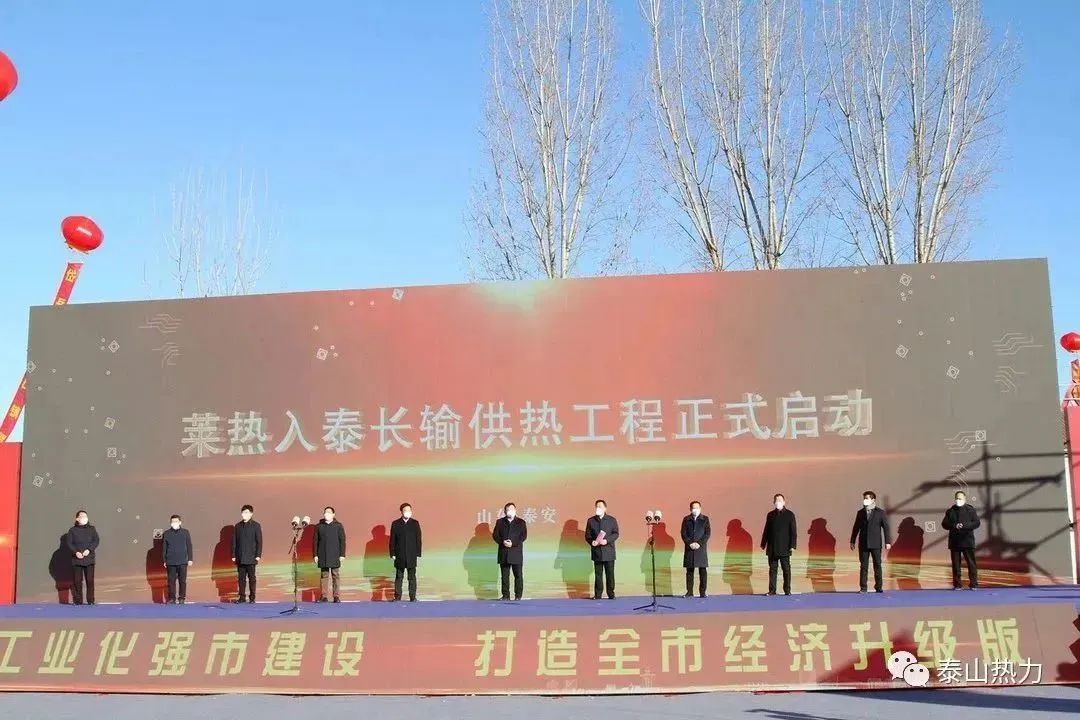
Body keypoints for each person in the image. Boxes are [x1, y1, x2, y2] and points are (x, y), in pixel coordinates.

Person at [849, 490, 891, 593]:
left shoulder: (880, 512)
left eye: (867, 498)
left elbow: (886, 528)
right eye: (864, 498)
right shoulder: (860, 513)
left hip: (876, 543)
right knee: (864, 566)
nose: (865, 500)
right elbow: (856, 527)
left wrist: (888, 542)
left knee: (877, 565)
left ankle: (878, 587)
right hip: (863, 543)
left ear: (873, 500)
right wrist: (852, 541)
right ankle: (863, 588)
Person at [942, 490, 980, 590]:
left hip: (967, 541)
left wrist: (964, 526)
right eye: (957, 498)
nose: (958, 500)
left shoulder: (970, 510)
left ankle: (974, 584)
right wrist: (954, 525)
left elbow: (977, 523)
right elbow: (944, 524)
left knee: (971, 563)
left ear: (964, 499)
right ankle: (957, 584)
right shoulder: (950, 511)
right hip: (955, 542)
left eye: (960, 498)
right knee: (956, 565)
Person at [760, 493, 797, 596]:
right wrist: (763, 543)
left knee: (786, 570)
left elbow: (793, 531)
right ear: (774, 502)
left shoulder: (790, 515)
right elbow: (766, 530)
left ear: (784, 502)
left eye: (780, 500)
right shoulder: (770, 515)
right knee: (772, 570)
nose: (778, 502)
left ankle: (787, 590)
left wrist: (793, 545)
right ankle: (772, 590)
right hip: (772, 547)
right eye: (776, 500)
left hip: (785, 547)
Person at [492, 502, 527, 600]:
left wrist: (513, 543)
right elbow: (495, 535)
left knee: (518, 576)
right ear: (505, 511)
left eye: (512, 509)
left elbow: (523, 536)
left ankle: (518, 596)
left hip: (516, 553)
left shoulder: (521, 522)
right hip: (504, 553)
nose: (510, 511)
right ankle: (505, 596)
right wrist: (502, 542)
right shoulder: (500, 522)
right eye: (508, 510)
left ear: (515, 510)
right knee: (504, 576)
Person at [585, 499, 619, 599]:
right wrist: (592, 542)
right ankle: (598, 594)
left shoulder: (612, 520)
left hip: (609, 551)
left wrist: (606, 540)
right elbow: (587, 536)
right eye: (596, 506)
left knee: (610, 574)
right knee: (598, 575)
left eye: (600, 506)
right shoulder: (591, 521)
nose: (598, 508)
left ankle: (611, 594)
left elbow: (616, 534)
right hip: (597, 552)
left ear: (605, 508)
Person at [389, 502, 422, 602]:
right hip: (400, 555)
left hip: (411, 555)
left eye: (409, 510)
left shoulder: (415, 523)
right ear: (402, 512)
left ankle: (413, 597)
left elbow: (418, 538)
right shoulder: (396, 524)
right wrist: (392, 553)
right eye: (406, 510)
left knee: (412, 577)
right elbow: (392, 540)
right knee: (399, 576)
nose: (408, 512)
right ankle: (397, 597)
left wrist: (418, 553)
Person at [65, 509, 99, 606]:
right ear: (77, 519)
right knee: (77, 581)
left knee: (90, 580)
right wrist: (76, 552)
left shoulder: (92, 529)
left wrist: (89, 550)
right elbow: (69, 543)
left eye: (86, 516)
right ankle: (78, 601)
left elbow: (96, 540)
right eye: (82, 516)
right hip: (77, 559)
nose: (84, 518)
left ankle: (90, 600)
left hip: (89, 559)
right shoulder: (72, 530)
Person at [313, 506, 346, 603]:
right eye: (325, 512)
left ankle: (336, 596)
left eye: (328, 512)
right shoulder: (319, 526)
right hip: (323, 554)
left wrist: (342, 554)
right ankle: (324, 597)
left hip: (335, 554)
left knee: (335, 575)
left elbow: (342, 541)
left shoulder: (338, 526)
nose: (326, 514)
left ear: (333, 514)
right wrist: (315, 555)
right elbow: (315, 542)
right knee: (324, 575)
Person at [231, 504, 262, 603]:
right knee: (241, 579)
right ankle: (242, 597)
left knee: (252, 578)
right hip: (240, 557)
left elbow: (259, 541)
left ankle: (252, 598)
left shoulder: (256, 525)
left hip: (251, 557)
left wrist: (258, 555)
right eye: (243, 512)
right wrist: (233, 555)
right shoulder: (238, 526)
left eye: (246, 512)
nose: (244, 514)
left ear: (251, 514)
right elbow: (234, 542)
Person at [680, 501, 710, 598]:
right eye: (693, 508)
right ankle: (689, 592)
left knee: (703, 571)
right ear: (690, 509)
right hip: (690, 548)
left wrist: (699, 543)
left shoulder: (705, 519)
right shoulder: (686, 519)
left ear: (700, 508)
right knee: (689, 571)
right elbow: (683, 533)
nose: (695, 510)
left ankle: (703, 592)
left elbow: (707, 533)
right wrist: (690, 543)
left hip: (701, 548)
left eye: (697, 508)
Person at [162, 514, 194, 604]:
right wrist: (164, 560)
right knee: (171, 581)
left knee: (182, 581)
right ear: (170, 523)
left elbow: (189, 546)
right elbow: (164, 548)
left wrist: (190, 559)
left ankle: (181, 598)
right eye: (172, 521)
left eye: (176, 521)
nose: (174, 523)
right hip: (170, 561)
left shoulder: (185, 532)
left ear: (180, 522)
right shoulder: (166, 533)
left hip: (182, 561)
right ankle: (172, 598)